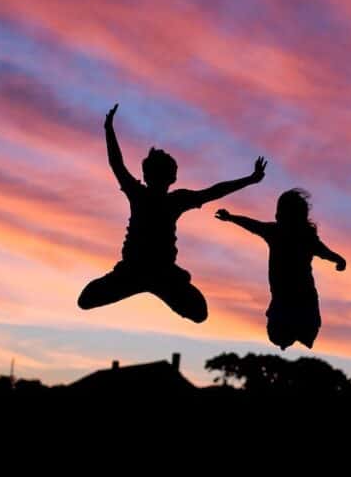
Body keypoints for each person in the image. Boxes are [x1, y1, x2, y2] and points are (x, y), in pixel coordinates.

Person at [78, 103, 266, 322]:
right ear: (169, 177)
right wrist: (108, 130)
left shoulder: (157, 196)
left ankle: (158, 284)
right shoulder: (150, 196)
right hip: (134, 272)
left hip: (159, 273)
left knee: (199, 313)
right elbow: (116, 164)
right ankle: (149, 285)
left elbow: (214, 191)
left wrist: (250, 180)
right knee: (85, 300)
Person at [216, 189, 345, 349]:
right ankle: (293, 333)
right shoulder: (280, 232)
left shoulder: (296, 235)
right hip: (287, 298)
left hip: (299, 298)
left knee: (297, 332)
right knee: (280, 335)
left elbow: (324, 252)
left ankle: (297, 332)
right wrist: (231, 218)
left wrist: (338, 259)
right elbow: (253, 225)